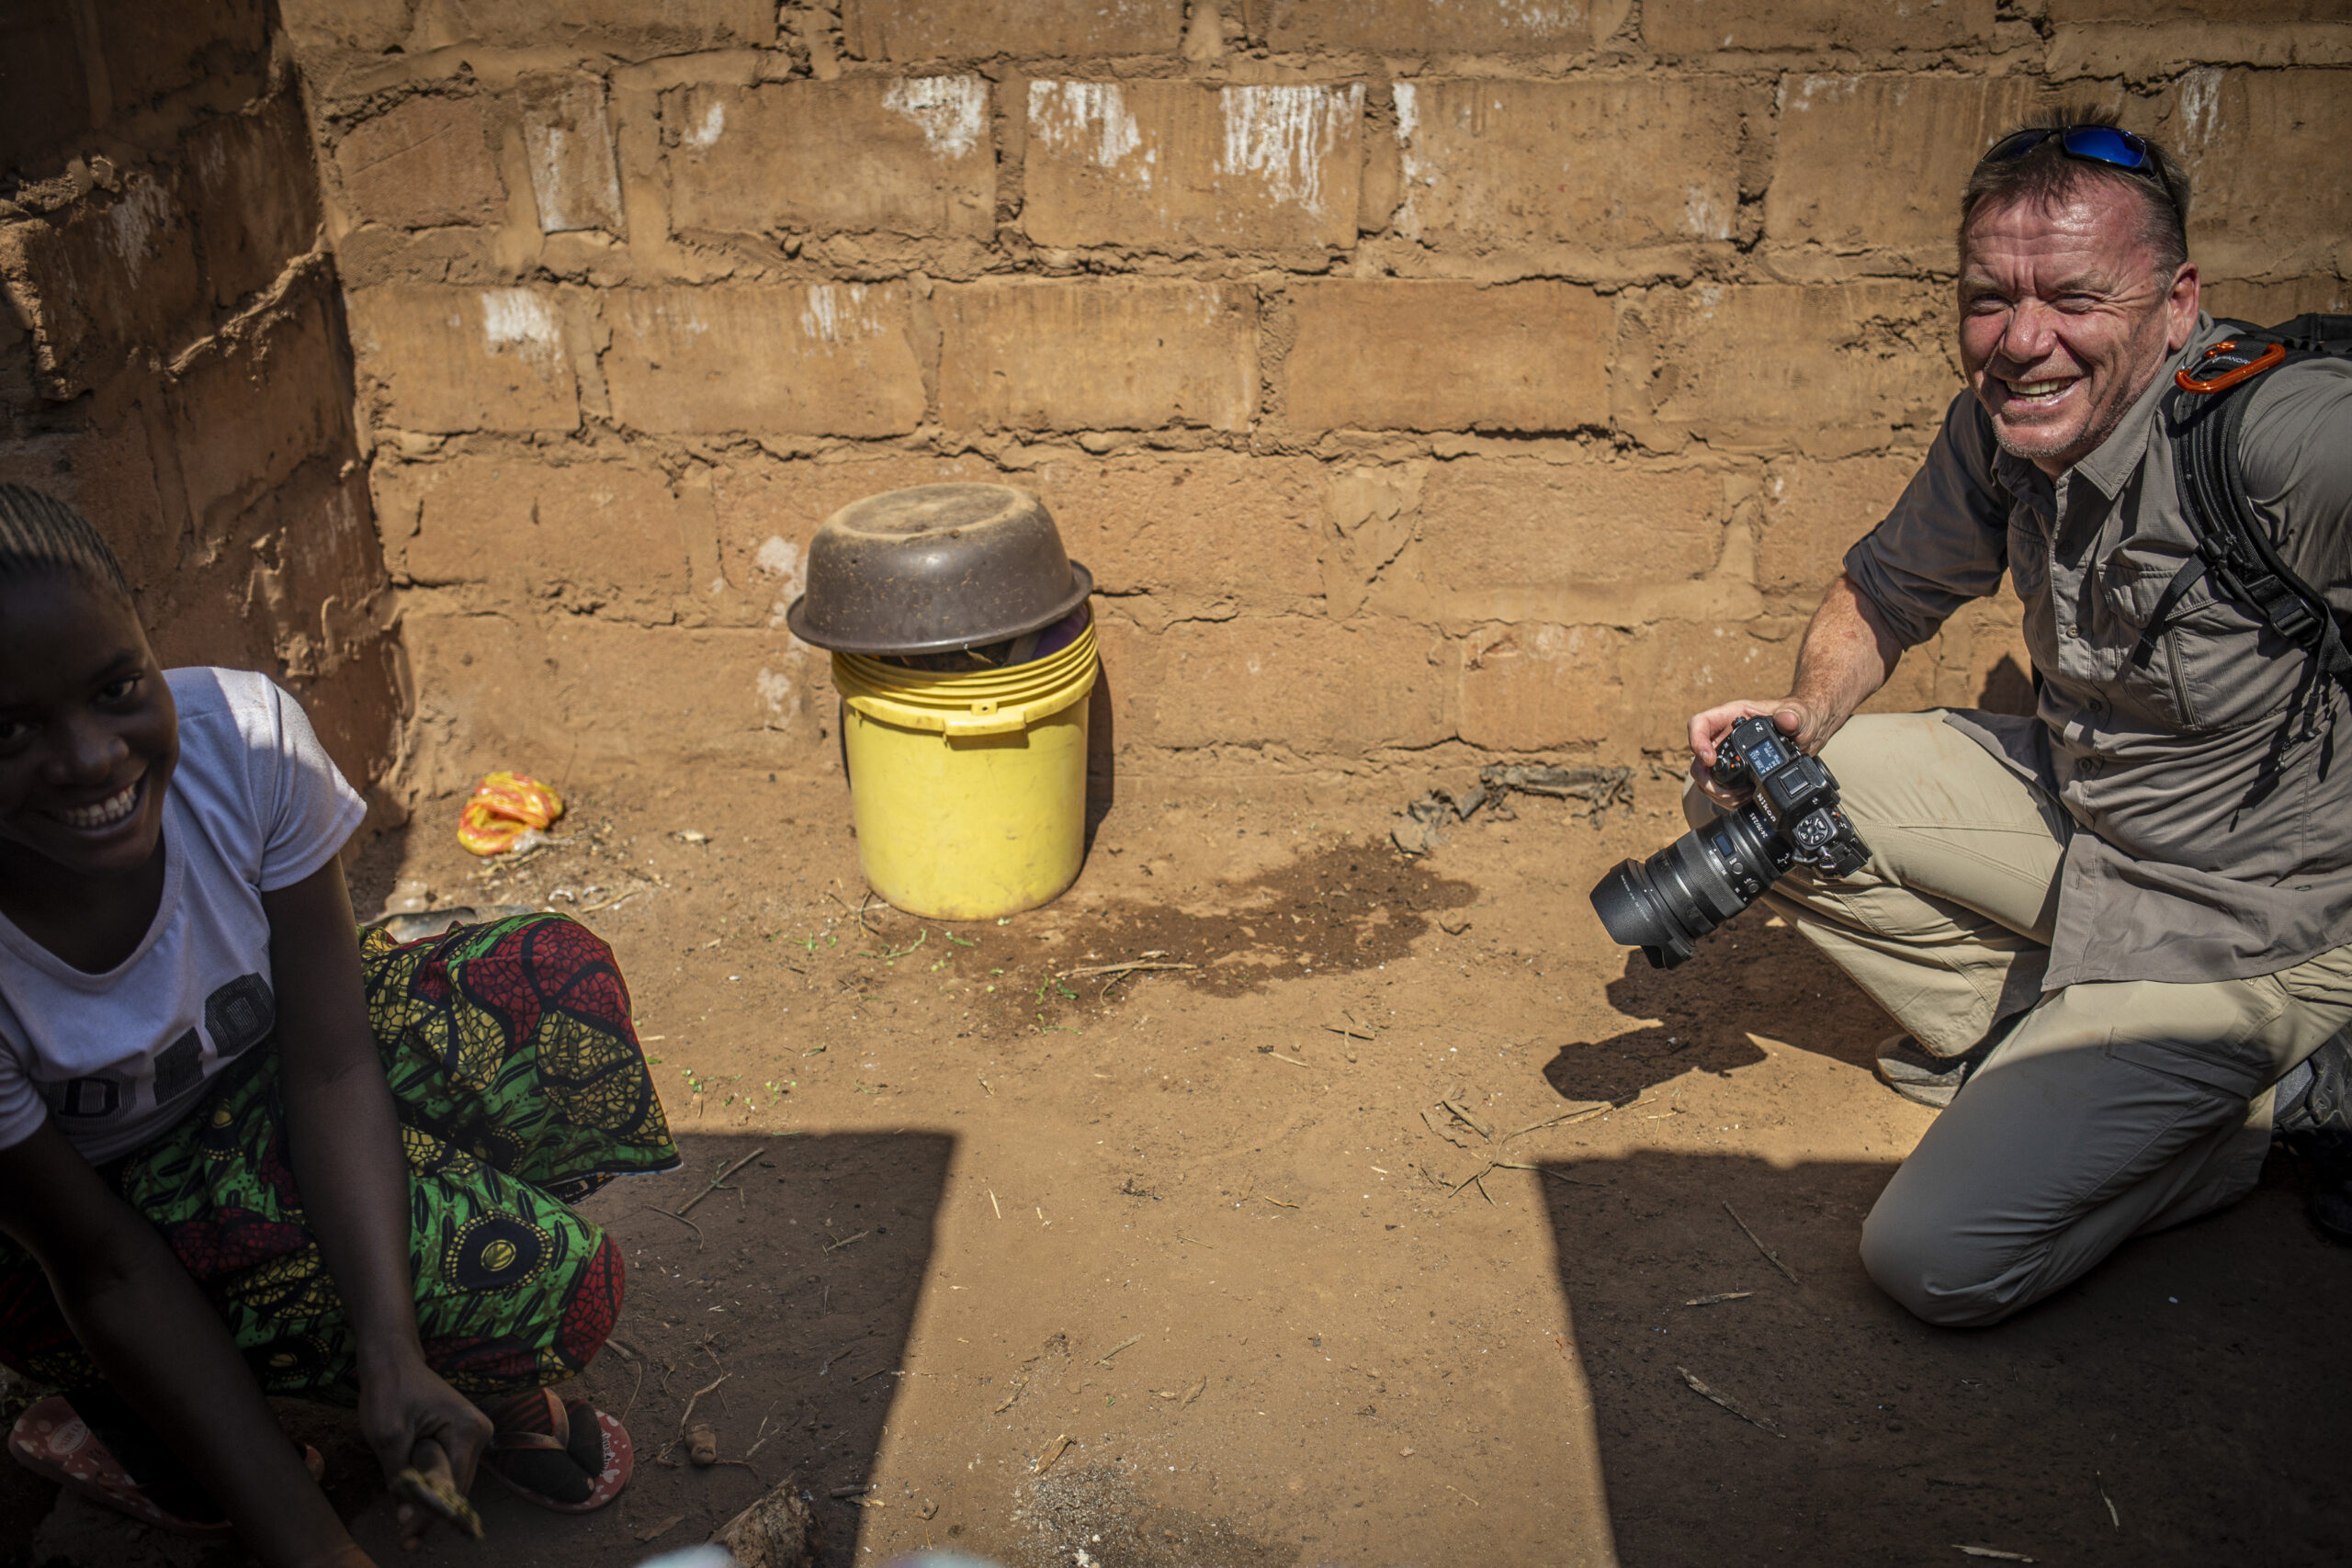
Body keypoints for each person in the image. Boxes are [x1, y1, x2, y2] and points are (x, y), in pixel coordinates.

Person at [1682, 109, 2352, 1327]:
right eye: (1992, 297)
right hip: (2093, 830)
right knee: (1755, 781)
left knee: (1933, 1255)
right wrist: (1800, 709)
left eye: (2074, 298)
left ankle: (2268, 1101)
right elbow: (1880, 591)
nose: (2023, 341)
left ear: (2176, 300)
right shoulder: (2002, 429)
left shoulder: (2284, 438)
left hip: (2247, 928)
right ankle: (2058, 1061)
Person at [0, 484, 680, 1556]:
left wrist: (392, 1353)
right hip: (82, 1216)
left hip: (266, 1084)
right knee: (515, 1282)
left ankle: (439, 1382)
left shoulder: (242, 745)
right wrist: (311, 1544)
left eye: (118, 687)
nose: (92, 759)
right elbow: (100, 1263)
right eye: (9, 731)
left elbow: (328, 1063)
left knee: (547, 983)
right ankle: (141, 1429)